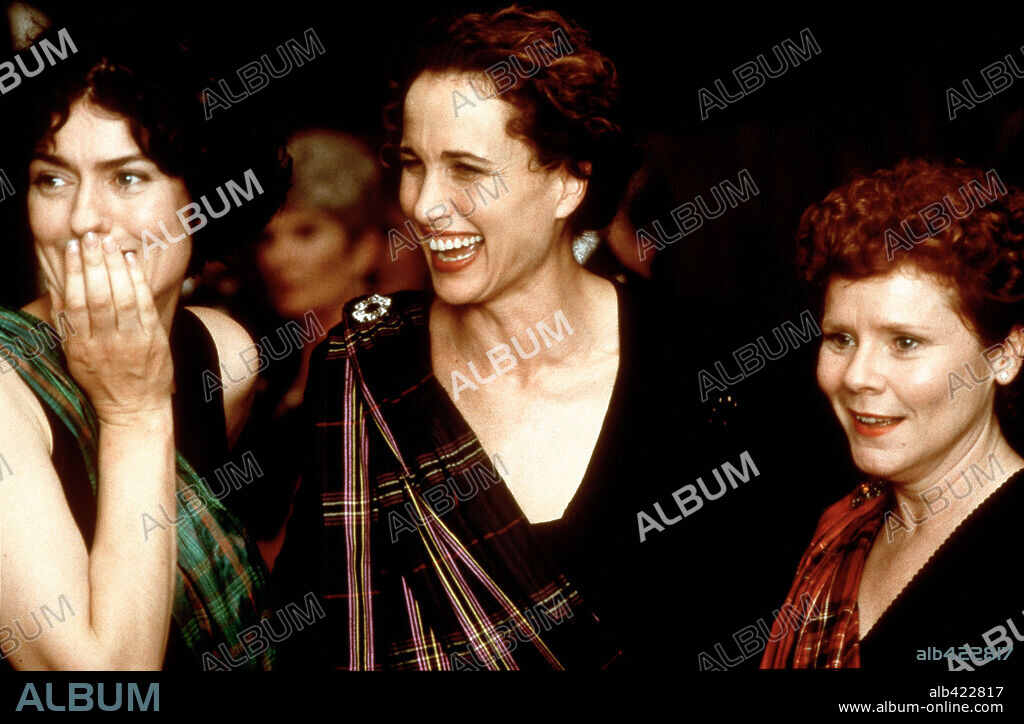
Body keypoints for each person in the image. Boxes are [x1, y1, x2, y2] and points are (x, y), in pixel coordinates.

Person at [273, 5, 750, 670]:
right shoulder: (363, 368)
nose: (424, 203)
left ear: (568, 180)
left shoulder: (703, 364)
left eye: (466, 169)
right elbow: (308, 641)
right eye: (414, 163)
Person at [0, 21, 289, 670]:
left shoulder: (224, 354)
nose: (81, 219)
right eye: (53, 179)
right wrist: (133, 411)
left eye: (127, 178)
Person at [762, 158, 1024, 670]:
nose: (857, 375)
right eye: (841, 339)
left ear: (1004, 356)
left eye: (904, 342)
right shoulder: (841, 525)